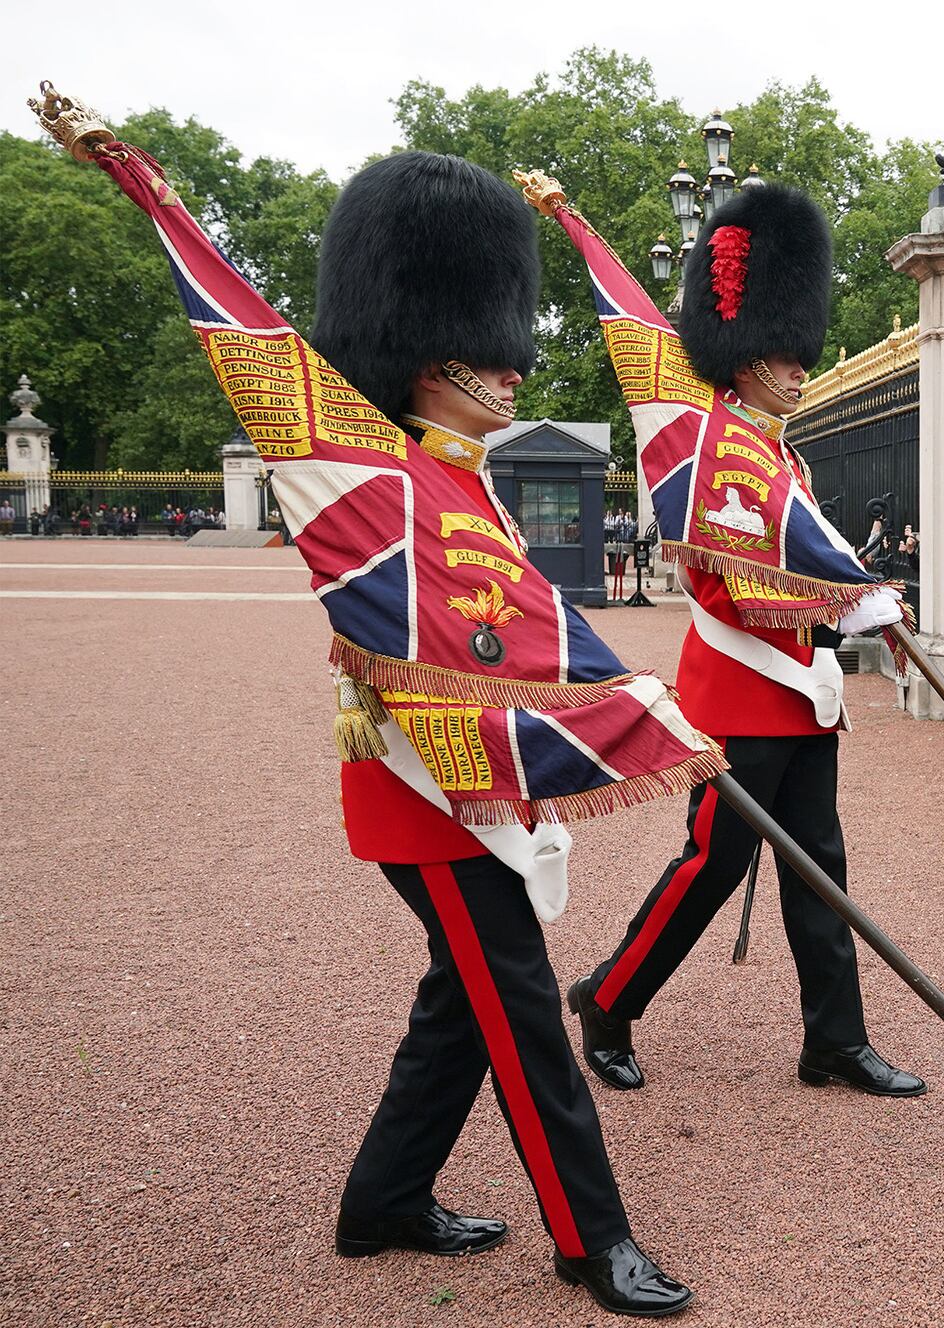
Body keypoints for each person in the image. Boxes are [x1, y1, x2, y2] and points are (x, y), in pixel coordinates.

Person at [48, 104, 712, 1317]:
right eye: (490, 349)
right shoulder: (362, 474)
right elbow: (252, 340)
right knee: (520, 1008)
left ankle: (383, 1198)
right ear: (425, 350)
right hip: (425, 788)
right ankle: (592, 1235)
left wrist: (635, 702)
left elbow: (531, 634)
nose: (512, 367)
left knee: (462, 1001)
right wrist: (148, 188)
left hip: (481, 778)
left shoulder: (471, 483)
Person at [536, 174, 927, 1104]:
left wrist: (855, 606)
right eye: (785, 356)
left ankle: (834, 1040)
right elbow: (732, 573)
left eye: (798, 354)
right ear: (745, 357)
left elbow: (807, 552)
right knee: (712, 866)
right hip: (741, 697)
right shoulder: (715, 449)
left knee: (820, 870)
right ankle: (608, 999)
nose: (799, 370)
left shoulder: (778, 451)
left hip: (802, 693)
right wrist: (850, 601)